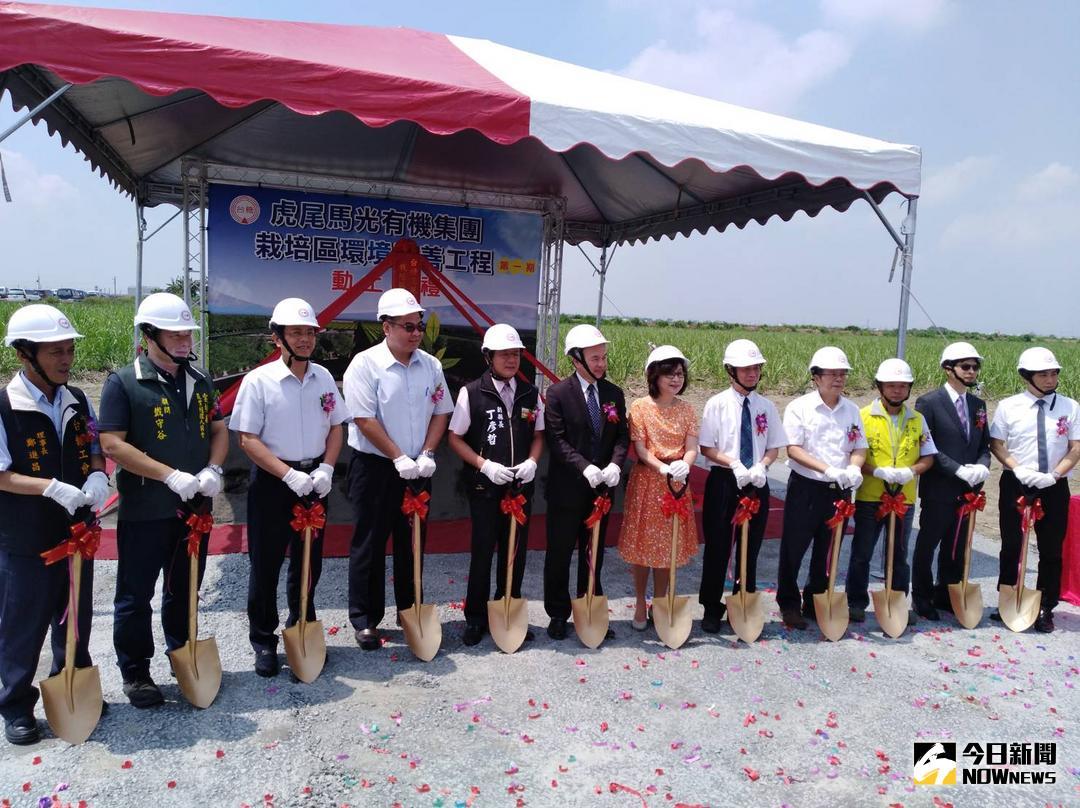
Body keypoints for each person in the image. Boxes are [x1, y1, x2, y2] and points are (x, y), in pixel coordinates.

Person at [98, 293, 228, 707]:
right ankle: (135, 671)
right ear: (149, 335)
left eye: (187, 332)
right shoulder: (124, 382)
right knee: (136, 594)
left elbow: (219, 429)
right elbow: (112, 444)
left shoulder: (201, 380)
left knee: (185, 587)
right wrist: (168, 475)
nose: (184, 339)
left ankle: (181, 651)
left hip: (194, 511)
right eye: (174, 333)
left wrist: (213, 469)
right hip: (146, 509)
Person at [0, 305, 107, 745]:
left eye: (69, 350)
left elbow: (94, 444)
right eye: (55, 352)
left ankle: (72, 683)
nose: (66, 359)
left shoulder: (77, 399)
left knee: (76, 618)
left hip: (76, 531)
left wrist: (100, 472)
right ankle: (15, 705)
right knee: (22, 623)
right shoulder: (6, 404)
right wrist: (50, 488)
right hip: (26, 537)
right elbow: (2, 473)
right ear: (26, 354)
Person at [229, 298, 348, 676]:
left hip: (314, 480)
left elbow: (336, 426)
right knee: (265, 564)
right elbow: (247, 439)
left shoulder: (324, 378)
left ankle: (302, 627)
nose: (304, 339)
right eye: (295, 332)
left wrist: (327, 468)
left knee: (308, 562)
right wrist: (287, 474)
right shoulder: (258, 381)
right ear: (277, 337)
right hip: (274, 483)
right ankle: (263, 640)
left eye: (309, 332)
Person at [342, 288, 452, 650]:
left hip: (419, 467)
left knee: (413, 542)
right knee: (369, 543)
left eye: (419, 325)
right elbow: (363, 417)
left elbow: (440, 411)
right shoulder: (365, 364)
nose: (416, 332)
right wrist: (397, 457)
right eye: (407, 326)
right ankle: (365, 618)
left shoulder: (430, 366)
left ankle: (410, 609)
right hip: (375, 467)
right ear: (385, 327)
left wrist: (428, 452)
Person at [447, 324, 543, 646]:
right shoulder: (472, 393)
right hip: (486, 489)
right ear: (489, 357)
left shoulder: (531, 393)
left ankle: (508, 611)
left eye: (515, 354)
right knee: (483, 552)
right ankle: (475, 618)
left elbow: (540, 434)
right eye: (504, 354)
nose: (511, 360)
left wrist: (532, 462)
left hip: (520, 489)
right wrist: (483, 465)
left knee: (515, 553)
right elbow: (455, 438)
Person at [543, 323, 629, 640]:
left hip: (601, 492)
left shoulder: (613, 394)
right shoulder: (557, 394)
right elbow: (557, 439)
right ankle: (557, 613)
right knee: (560, 553)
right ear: (576, 359)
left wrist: (615, 465)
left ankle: (590, 609)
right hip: (567, 490)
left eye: (603, 357)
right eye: (595, 358)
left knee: (593, 553)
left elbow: (622, 436)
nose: (601, 364)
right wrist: (584, 467)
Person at [697, 339, 787, 634]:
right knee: (718, 547)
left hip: (756, 481)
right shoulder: (717, 404)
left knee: (751, 547)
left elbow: (774, 445)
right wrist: (733, 464)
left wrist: (762, 465)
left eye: (756, 368)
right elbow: (707, 447)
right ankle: (711, 607)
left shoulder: (767, 407)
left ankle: (743, 601)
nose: (752, 373)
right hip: (725, 480)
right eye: (745, 369)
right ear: (730, 371)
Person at [988, 347, 1080, 633]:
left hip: (1053, 484)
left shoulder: (1070, 407)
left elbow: (1076, 447)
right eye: (1044, 374)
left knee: (1051, 547)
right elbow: (997, 444)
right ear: (1026, 376)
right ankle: (1008, 597)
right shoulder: (1009, 407)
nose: (1051, 379)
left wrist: (1054, 474)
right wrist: (1018, 468)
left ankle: (1045, 606)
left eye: (1054, 373)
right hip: (1016, 480)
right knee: (1012, 543)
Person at [778, 347, 867, 630]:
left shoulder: (852, 410)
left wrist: (853, 467)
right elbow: (793, 449)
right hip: (807, 487)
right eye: (832, 373)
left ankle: (814, 599)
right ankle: (789, 603)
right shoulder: (799, 407)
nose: (838, 379)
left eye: (843, 374)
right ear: (816, 377)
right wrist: (826, 468)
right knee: (794, 548)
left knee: (828, 549)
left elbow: (859, 446)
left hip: (839, 490)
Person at [846, 359, 936, 623]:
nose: (897, 390)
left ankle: (897, 601)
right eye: (891, 385)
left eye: (903, 386)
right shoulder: (863, 416)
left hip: (904, 498)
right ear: (880, 387)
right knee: (862, 551)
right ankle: (856, 601)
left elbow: (929, 456)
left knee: (899, 555)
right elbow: (855, 454)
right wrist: (877, 471)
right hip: (871, 496)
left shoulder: (917, 420)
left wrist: (912, 471)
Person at [617, 346, 698, 630]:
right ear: (655, 376)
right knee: (643, 546)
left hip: (677, 482)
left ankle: (660, 601)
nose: (675, 380)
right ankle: (640, 601)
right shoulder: (639, 407)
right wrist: (662, 467)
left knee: (668, 546)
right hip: (649, 483)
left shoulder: (687, 409)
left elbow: (691, 447)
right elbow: (640, 449)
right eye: (669, 375)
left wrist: (685, 465)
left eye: (679, 374)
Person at [912, 342, 991, 620]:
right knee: (928, 543)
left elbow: (983, 444)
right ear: (948, 369)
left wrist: (982, 466)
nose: (971, 371)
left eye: (975, 366)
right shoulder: (929, 402)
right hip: (941, 486)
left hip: (969, 489)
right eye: (965, 366)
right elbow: (928, 445)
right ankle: (921, 597)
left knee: (957, 544)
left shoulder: (978, 405)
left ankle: (946, 592)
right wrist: (957, 469)